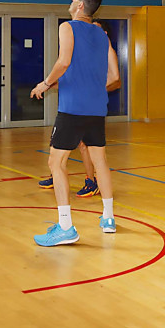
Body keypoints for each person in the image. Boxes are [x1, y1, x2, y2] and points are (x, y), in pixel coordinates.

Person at [30, 0, 119, 246]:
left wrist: (46, 83)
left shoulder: (67, 27)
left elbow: (64, 62)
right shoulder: (102, 36)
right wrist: (90, 88)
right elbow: (113, 77)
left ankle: (66, 226)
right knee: (100, 161)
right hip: (97, 108)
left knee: (56, 164)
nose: (71, 0)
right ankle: (108, 218)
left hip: (72, 109)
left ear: (80, 6)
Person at [36, 19, 118, 198]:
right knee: (81, 151)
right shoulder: (86, 51)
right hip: (86, 107)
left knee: (82, 151)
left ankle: (90, 181)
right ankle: (60, 176)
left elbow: (114, 79)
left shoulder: (102, 49)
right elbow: (74, 78)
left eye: (95, 29)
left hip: (82, 108)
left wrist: (46, 84)